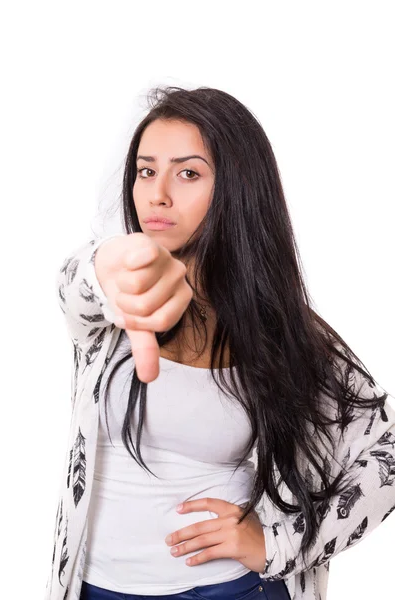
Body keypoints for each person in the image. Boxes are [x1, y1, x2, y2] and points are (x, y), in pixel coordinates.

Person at [44, 86, 395, 600]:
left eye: (188, 173)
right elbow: (76, 283)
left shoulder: (278, 328)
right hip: (99, 588)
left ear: (236, 189)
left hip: (234, 589)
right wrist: (109, 267)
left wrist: (280, 543)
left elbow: (386, 454)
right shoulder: (111, 306)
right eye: (146, 171)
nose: (157, 193)